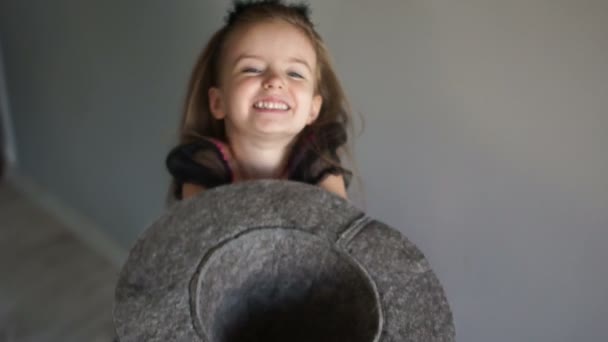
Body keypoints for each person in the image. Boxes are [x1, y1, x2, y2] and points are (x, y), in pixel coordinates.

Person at [166, 0, 357, 203]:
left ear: (313, 108)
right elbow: (197, 230)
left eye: (294, 73)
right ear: (217, 103)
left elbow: (339, 229)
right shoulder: (202, 166)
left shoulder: (319, 163)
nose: (275, 81)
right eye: (252, 69)